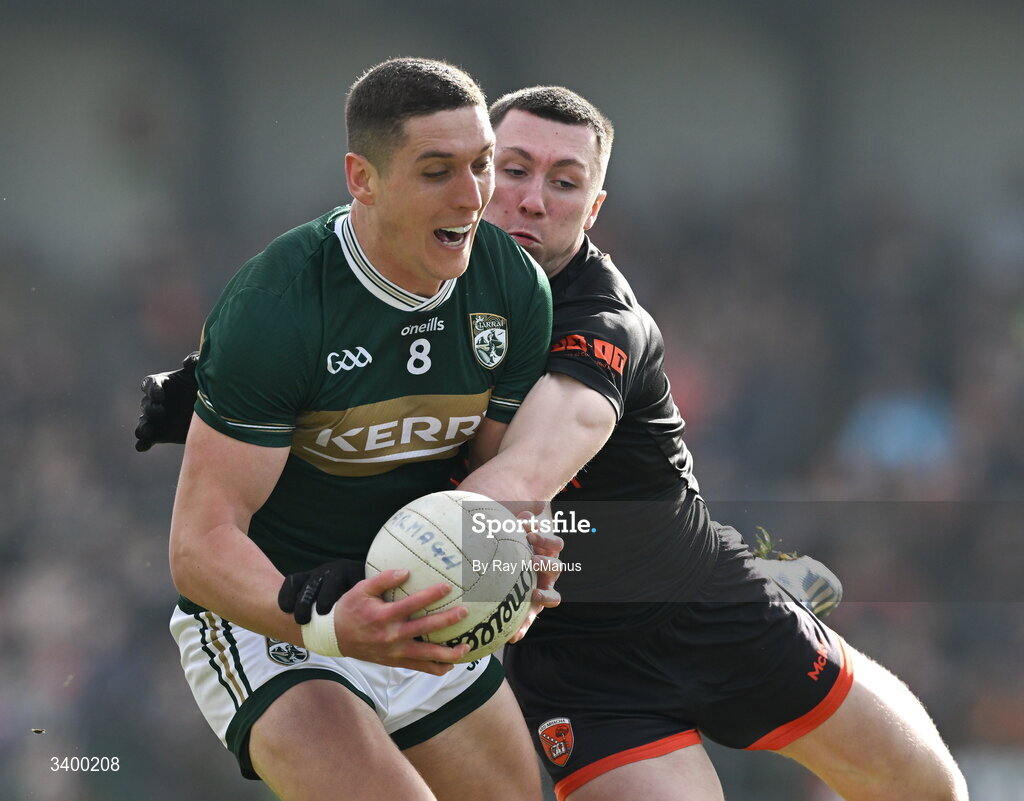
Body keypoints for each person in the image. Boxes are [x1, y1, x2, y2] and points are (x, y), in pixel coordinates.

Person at [137, 85, 967, 801]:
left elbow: (533, 462)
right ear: (477, 171)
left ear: (593, 207)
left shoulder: (603, 315)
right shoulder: (414, 273)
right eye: (517, 169)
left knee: (929, 789)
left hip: (707, 606)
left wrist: (391, 563)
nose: (533, 199)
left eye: (566, 182)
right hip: (575, 668)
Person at [158, 57, 578, 801]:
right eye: (437, 171)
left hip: (424, 599)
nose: (473, 195)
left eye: (482, 165)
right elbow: (199, 544)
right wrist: (323, 624)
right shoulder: (278, 304)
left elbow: (482, 483)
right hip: (279, 620)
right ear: (363, 178)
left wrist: (517, 549)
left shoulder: (513, 287)